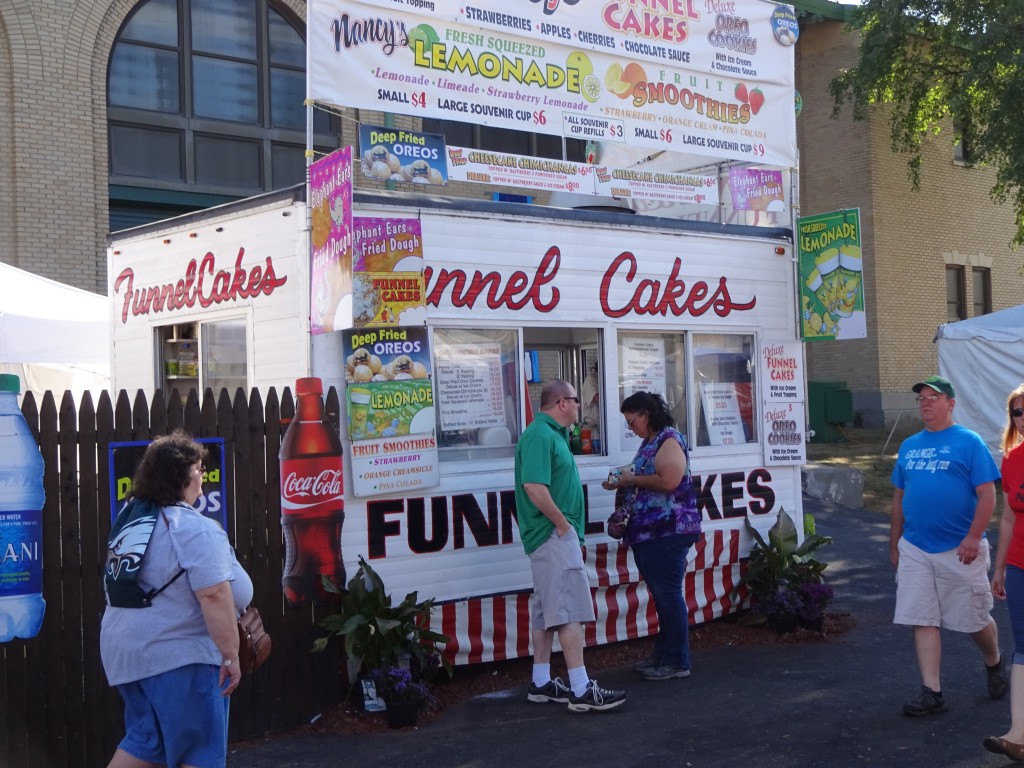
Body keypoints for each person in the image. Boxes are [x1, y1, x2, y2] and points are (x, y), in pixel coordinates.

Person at [101, 431, 253, 768]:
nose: (203, 478)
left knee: (145, 744)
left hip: (128, 658)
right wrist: (230, 655)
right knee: (198, 752)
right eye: (199, 470)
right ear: (182, 474)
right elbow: (214, 594)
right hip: (180, 657)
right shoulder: (192, 526)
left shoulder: (133, 521)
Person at [890, 375, 1007, 717]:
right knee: (921, 617)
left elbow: (988, 495)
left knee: (972, 620)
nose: (925, 402)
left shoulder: (968, 442)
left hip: (960, 549)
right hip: (915, 546)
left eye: (933, 397)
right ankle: (932, 692)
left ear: (950, 403)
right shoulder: (910, 445)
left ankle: (993, 660)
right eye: (921, 398)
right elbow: (899, 497)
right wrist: (895, 543)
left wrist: (973, 537)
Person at [514, 379, 627, 712]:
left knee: (546, 610)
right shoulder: (540, 435)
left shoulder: (552, 435)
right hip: (552, 536)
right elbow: (534, 486)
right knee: (568, 611)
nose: (581, 406)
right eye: (576, 400)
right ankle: (579, 688)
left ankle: (541, 682)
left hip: (552, 536)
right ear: (562, 403)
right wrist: (563, 525)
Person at [602, 391, 700, 681]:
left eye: (631, 422)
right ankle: (663, 655)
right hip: (651, 533)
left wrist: (630, 479)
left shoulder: (669, 440)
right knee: (662, 596)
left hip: (669, 531)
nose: (630, 428)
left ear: (645, 414)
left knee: (669, 596)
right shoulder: (651, 441)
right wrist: (621, 477)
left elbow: (669, 481)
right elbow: (644, 472)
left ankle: (676, 662)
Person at [986, 383, 1024, 760]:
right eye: (1016, 412)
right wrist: (999, 568)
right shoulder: (1011, 459)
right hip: (1019, 566)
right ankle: (1018, 734)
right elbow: (1010, 516)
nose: (1023, 418)